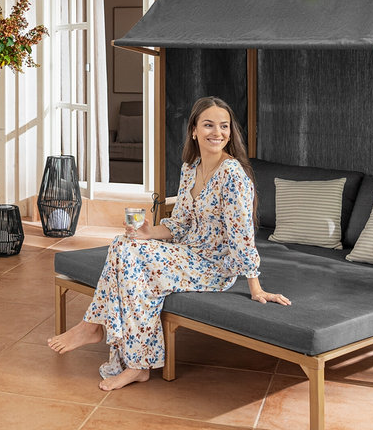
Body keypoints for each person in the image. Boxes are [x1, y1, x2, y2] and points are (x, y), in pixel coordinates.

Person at [48, 96, 291, 391]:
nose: (217, 133)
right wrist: (149, 233)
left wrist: (256, 287)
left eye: (224, 126)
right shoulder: (191, 168)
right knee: (123, 244)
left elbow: (242, 234)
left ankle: (101, 332)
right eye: (209, 125)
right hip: (186, 254)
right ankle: (119, 349)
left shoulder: (233, 176)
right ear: (194, 130)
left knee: (134, 260)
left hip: (213, 266)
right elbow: (179, 223)